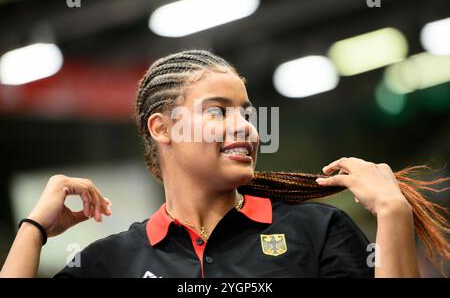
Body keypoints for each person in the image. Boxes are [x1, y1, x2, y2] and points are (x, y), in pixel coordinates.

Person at [1, 50, 449, 278]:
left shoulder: (317, 233)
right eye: (219, 111)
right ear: (163, 128)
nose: (248, 130)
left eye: (247, 114)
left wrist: (393, 214)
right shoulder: (111, 262)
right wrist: (34, 230)